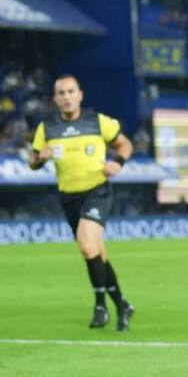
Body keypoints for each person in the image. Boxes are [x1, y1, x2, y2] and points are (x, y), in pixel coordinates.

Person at [29, 74, 135, 331]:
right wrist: (40, 158)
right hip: (69, 198)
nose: (66, 97)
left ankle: (100, 306)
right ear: (55, 98)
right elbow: (32, 162)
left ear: (80, 94)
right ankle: (122, 305)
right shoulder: (47, 129)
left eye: (70, 92)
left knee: (87, 246)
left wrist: (117, 164)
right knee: (97, 252)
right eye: (61, 93)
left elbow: (125, 144)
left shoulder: (98, 122)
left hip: (97, 191)